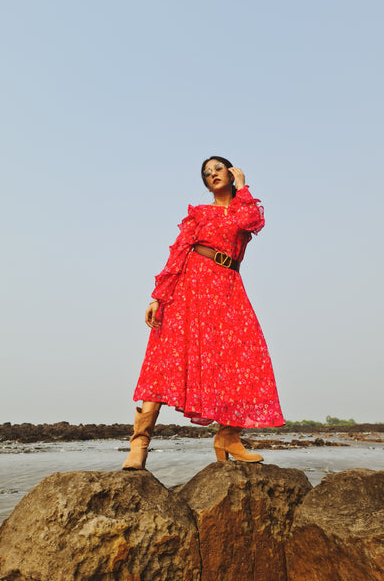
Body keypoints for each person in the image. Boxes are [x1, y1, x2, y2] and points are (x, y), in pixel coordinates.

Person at [122, 156, 285, 470]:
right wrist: (158, 296)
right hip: (192, 285)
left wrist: (242, 185)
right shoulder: (199, 214)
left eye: (218, 169)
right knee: (165, 360)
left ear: (231, 172)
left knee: (243, 357)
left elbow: (250, 221)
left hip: (228, 287)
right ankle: (139, 444)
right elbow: (179, 250)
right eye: (206, 173)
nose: (212, 175)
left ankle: (228, 437)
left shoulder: (243, 208)